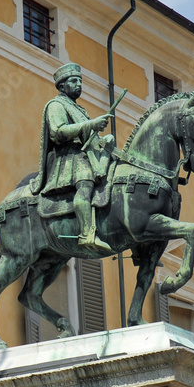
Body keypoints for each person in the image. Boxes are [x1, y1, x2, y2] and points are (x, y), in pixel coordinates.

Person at [31, 62, 114, 252]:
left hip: (85, 155)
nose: (79, 84)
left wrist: (101, 137)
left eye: (80, 81)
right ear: (62, 86)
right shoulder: (56, 105)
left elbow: (88, 136)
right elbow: (57, 132)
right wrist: (91, 124)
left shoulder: (79, 109)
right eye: (74, 81)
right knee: (85, 185)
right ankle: (87, 234)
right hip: (69, 157)